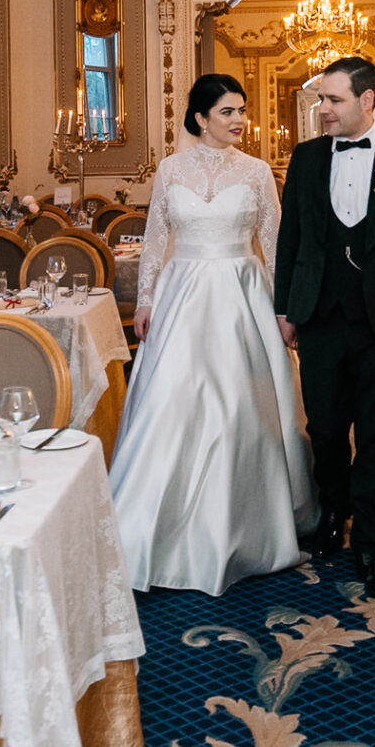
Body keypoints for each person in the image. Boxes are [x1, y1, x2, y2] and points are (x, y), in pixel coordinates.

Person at [109, 73, 317, 595]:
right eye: (228, 111)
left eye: (242, 110)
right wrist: (149, 299)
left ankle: (244, 527)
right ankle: (152, 528)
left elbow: (274, 239)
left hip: (242, 296)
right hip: (183, 297)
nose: (240, 120)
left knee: (237, 406)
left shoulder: (256, 171)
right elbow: (157, 237)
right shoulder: (170, 169)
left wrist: (283, 309)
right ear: (200, 118)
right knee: (170, 405)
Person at [275, 56, 375, 600]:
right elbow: (290, 240)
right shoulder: (305, 157)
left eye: (332, 100)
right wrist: (284, 309)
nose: (321, 110)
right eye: (321, 100)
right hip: (319, 317)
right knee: (323, 430)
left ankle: (371, 541)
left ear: (367, 101)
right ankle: (332, 511)